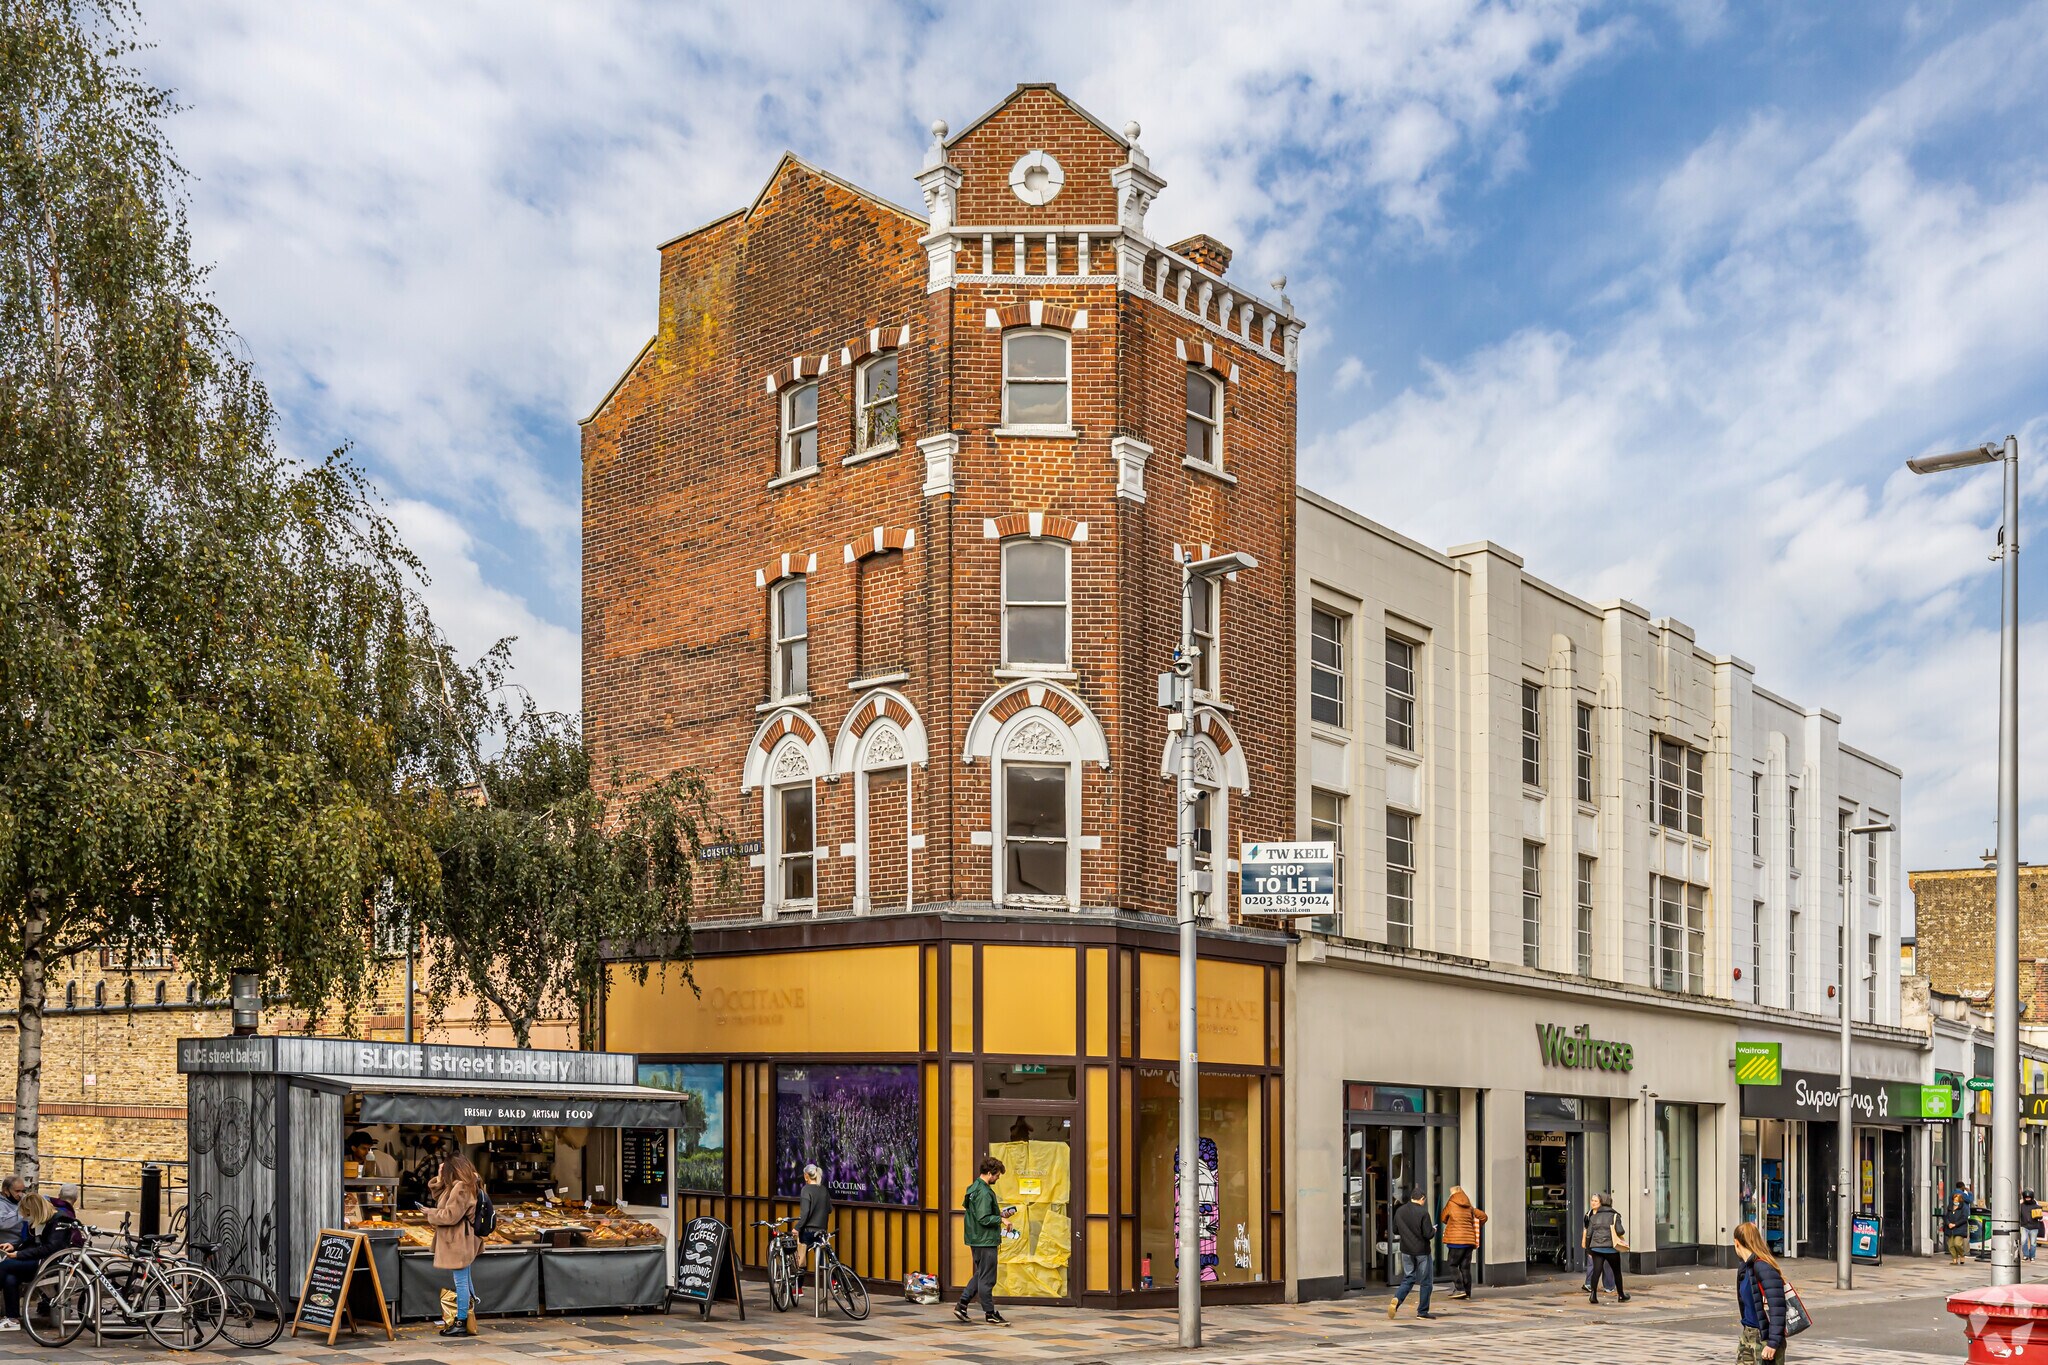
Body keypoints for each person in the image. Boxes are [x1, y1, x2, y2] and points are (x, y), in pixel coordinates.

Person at [0, 1194, 78, 1332]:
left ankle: (11, 1317)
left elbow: (51, 1248)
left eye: (28, 1213)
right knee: (10, 1277)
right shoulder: (43, 1220)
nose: (26, 1217)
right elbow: (32, 1241)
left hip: (49, 1264)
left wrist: (19, 1254)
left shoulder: (59, 1220)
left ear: (35, 1210)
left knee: (5, 1266)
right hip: (38, 1260)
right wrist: (15, 1247)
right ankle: (12, 1319)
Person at [425, 1154, 482, 1338]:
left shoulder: (462, 1187)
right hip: (462, 1239)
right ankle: (468, 1315)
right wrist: (440, 1180)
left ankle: (461, 1322)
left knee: (461, 1281)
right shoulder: (467, 1183)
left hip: (460, 1240)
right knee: (465, 1278)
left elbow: (451, 1215)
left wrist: (430, 1213)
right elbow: (441, 1198)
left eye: (445, 1170)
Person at [955, 1156, 1011, 1327]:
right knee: (987, 1278)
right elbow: (983, 1218)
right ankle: (990, 1313)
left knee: (981, 1273)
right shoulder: (985, 1192)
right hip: (985, 1240)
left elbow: (972, 1210)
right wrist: (1002, 1220)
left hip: (976, 1238)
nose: (998, 1178)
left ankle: (962, 1305)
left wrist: (1000, 1214)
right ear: (989, 1173)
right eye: (997, 1175)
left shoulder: (972, 1188)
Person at [1734, 1220, 1790, 1363]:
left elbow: (1777, 1306)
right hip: (1748, 1334)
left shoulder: (1763, 1267)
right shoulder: (1745, 1269)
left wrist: (1773, 1342)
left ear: (1736, 1243)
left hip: (1764, 1338)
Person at [1386, 1187, 1438, 1320]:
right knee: (1426, 1281)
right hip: (1422, 1251)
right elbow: (1428, 1234)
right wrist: (1433, 1230)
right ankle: (1422, 1312)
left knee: (1408, 1278)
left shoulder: (1400, 1211)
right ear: (1422, 1199)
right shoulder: (1423, 1212)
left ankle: (1397, 1299)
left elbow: (1396, 1230)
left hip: (1406, 1250)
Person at [1439, 1186, 1487, 1300]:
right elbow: (1483, 1216)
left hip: (1456, 1241)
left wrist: (1452, 1223)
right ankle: (1467, 1293)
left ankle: (1460, 1289)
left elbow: (1443, 1217)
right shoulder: (1469, 1206)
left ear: (1453, 1194)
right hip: (1469, 1241)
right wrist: (1476, 1226)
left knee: (1452, 1264)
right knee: (1465, 1268)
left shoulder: (1451, 1203)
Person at [1583, 1192, 1629, 1303]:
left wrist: (1589, 1249)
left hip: (1596, 1249)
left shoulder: (1594, 1217)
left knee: (1596, 1272)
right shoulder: (1615, 1215)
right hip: (1611, 1248)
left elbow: (1589, 1234)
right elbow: (1620, 1231)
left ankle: (1593, 1296)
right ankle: (1621, 1295)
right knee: (1617, 1272)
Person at [796, 1163, 832, 1295]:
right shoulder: (823, 1190)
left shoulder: (806, 1190)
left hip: (808, 1231)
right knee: (823, 1258)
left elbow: (804, 1213)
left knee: (801, 1258)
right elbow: (829, 1210)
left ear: (806, 1176)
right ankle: (833, 1282)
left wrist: (797, 1228)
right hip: (822, 1230)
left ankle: (798, 1288)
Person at [1942, 1191, 1973, 1265]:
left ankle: (1962, 1255)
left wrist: (1955, 1224)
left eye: (1956, 1200)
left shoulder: (1963, 1208)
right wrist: (1948, 1223)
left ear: (1960, 1200)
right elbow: (1946, 1216)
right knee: (1951, 1245)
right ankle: (1954, 1259)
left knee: (1957, 1243)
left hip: (1959, 1228)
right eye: (1954, 1200)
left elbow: (1964, 1218)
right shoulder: (1950, 1207)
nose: (1955, 1201)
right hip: (1950, 1229)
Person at [0, 1177, 24, 1253]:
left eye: (22, 1191)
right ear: (6, 1190)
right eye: (17, 1191)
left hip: (23, 1245)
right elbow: (2, 1223)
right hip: (7, 1248)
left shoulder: (18, 1200)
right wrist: (23, 1210)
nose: (20, 1194)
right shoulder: (1, 1204)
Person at [2023, 1190, 2042, 1263]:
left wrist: (2037, 1216)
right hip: (2024, 1226)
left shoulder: (2037, 1206)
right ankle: (2026, 1255)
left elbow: (2040, 1218)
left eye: (2029, 1198)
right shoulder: (2021, 1206)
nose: (2028, 1199)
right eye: (2026, 1198)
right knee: (2023, 1241)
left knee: (2033, 1243)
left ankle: (2032, 1256)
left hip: (2034, 1226)